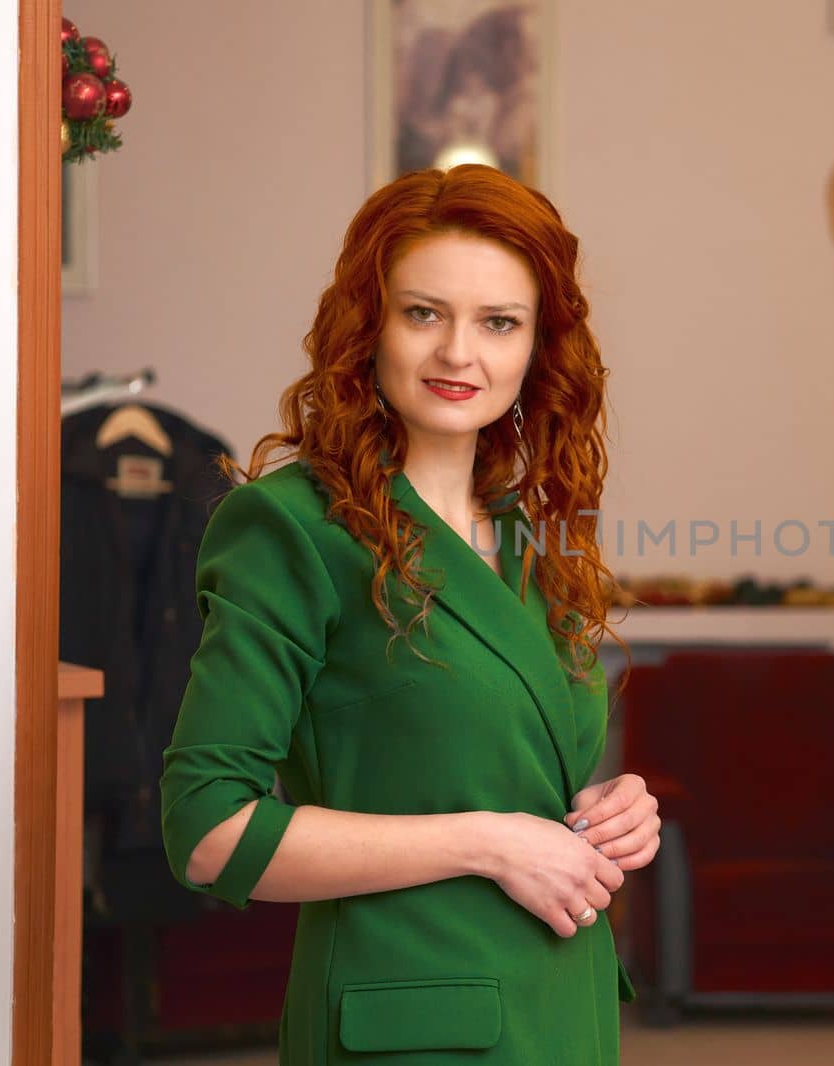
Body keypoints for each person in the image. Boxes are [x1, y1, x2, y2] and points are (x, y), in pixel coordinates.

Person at [159, 163, 660, 1065]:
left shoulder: (525, 535)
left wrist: (609, 813)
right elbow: (207, 831)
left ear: (538, 347)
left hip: (560, 1013)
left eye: (498, 322)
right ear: (368, 325)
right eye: (423, 312)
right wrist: (489, 844)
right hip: (410, 1026)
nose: (458, 353)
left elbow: (512, 775)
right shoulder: (288, 528)